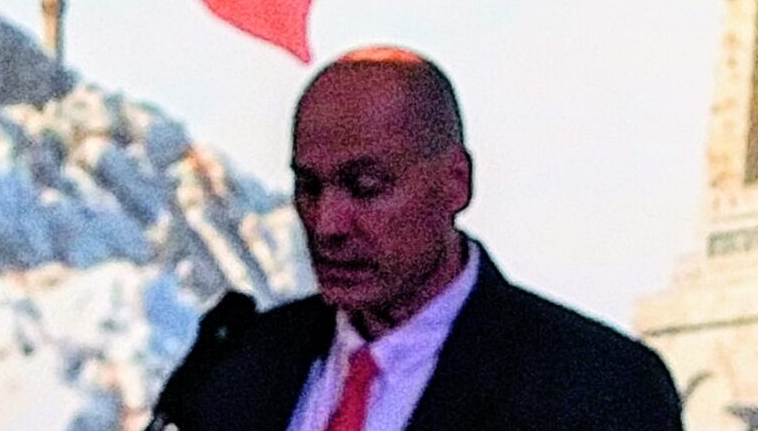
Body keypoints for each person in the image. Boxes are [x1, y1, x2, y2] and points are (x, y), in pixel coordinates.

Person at [153, 46, 683, 430]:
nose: (327, 223)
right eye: (309, 187)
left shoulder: (594, 388)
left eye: (366, 187)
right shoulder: (237, 365)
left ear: (455, 183)